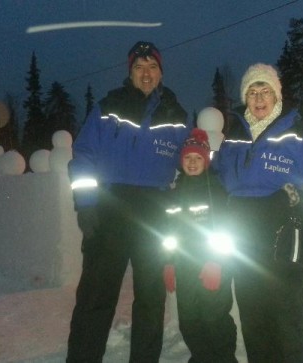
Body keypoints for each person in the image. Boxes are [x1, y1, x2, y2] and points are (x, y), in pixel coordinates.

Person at [66, 40, 190, 362]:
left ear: (160, 72)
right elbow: (84, 156)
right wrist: (87, 203)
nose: (146, 74)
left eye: (152, 67)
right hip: (110, 210)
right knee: (96, 296)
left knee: (151, 299)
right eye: (139, 67)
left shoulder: (176, 114)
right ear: (130, 72)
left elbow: (191, 159)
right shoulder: (108, 107)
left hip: (154, 214)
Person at [213, 63, 303, 362]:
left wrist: (290, 196)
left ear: (276, 96)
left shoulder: (301, 134)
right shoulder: (233, 138)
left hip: (286, 240)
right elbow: (218, 180)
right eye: (252, 92)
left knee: (286, 325)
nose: (258, 98)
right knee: (254, 324)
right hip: (243, 243)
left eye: (264, 90)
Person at [161, 128, 238, 363]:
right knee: (189, 319)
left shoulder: (215, 190)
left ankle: (224, 359)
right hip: (184, 267)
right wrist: (169, 263)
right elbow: (168, 233)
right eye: (187, 158)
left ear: (205, 161)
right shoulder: (174, 194)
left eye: (197, 158)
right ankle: (202, 357)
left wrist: (217, 262)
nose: (192, 163)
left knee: (214, 318)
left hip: (212, 268)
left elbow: (227, 231)